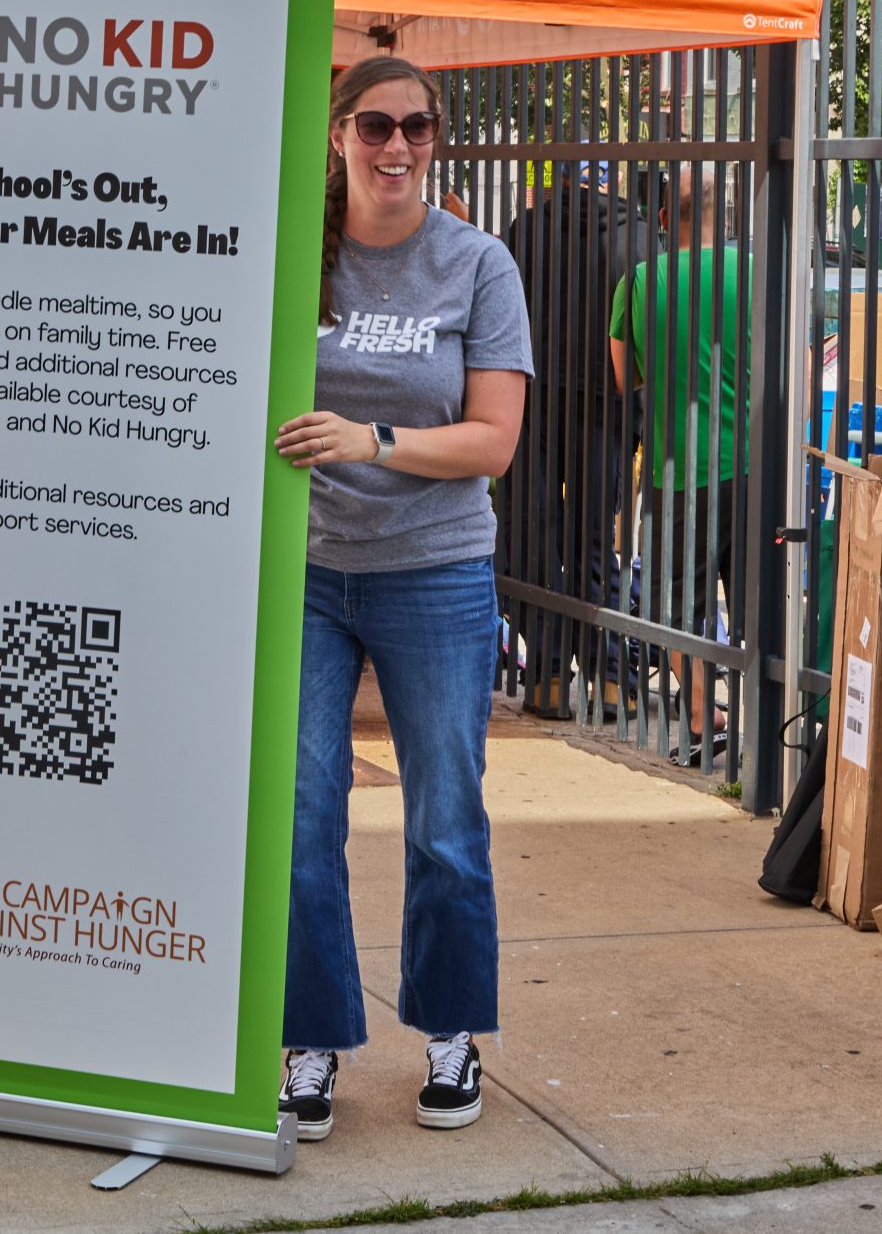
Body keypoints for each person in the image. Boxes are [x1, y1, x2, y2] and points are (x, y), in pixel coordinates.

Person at [273, 56, 531, 1142]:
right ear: (337, 134)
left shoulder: (475, 264)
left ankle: (450, 1031)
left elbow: (495, 441)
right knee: (298, 816)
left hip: (434, 572)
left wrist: (373, 438)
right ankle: (310, 1044)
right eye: (374, 125)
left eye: (416, 127)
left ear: (436, 137)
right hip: (304, 574)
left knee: (443, 823)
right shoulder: (298, 252)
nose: (395, 147)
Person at [499, 161, 648, 719]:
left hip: (532, 401)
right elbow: (641, 330)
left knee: (532, 536)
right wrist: (634, 418)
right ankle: (613, 682)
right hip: (603, 407)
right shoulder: (637, 236)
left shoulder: (525, 230)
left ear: (561, 180)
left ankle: (548, 677)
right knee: (594, 543)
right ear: (610, 180)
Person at [609, 165, 748, 755]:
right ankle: (753, 724)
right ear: (727, 216)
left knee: (674, 604)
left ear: (664, 219)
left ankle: (700, 721)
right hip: (747, 466)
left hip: (674, 470)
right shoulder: (754, 271)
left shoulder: (640, 281)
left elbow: (625, 378)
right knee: (750, 604)